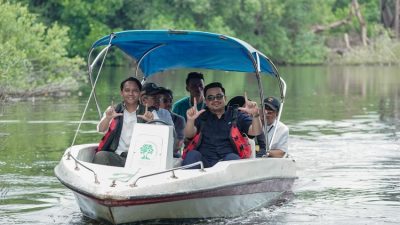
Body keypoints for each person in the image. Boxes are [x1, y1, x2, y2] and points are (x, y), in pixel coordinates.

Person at [182, 82, 262, 168]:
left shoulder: (236, 115)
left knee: (233, 159)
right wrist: (190, 120)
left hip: (227, 162)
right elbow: (189, 134)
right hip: (203, 161)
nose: (215, 100)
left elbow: (255, 131)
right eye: (210, 98)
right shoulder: (200, 115)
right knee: (192, 155)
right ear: (206, 101)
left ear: (225, 98)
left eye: (219, 96)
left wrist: (255, 115)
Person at [93, 77, 156, 167]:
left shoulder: (150, 112)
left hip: (141, 158)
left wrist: (151, 123)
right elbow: (100, 130)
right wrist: (107, 118)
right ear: (122, 93)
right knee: (101, 156)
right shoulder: (113, 110)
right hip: (117, 156)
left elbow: (159, 138)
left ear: (140, 93)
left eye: (135, 91)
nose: (131, 94)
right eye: (127, 90)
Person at [158, 87, 186, 156]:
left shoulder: (179, 120)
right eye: (165, 101)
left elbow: (178, 144)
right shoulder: (151, 117)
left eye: (170, 101)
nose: (169, 104)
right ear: (157, 102)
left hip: (172, 153)